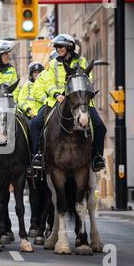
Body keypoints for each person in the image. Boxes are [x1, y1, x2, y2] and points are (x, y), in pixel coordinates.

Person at [29, 34, 107, 172]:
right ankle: (38, 155)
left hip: (80, 100)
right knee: (35, 124)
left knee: (100, 126)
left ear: (69, 47)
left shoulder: (82, 61)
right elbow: (48, 82)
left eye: (60, 46)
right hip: (57, 101)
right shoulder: (53, 63)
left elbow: (88, 80)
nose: (58, 49)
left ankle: (97, 157)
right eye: (57, 47)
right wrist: (56, 94)